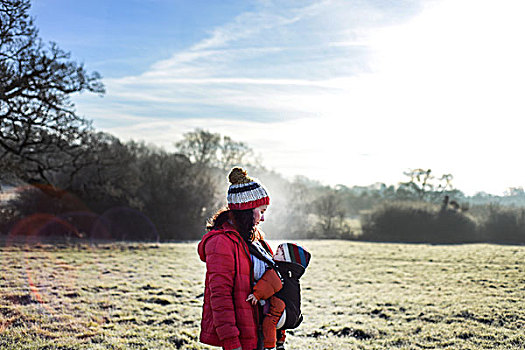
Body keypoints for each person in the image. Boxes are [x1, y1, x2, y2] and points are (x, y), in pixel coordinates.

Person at [198, 167, 284, 350]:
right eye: (261, 211)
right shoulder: (221, 242)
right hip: (242, 337)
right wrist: (231, 343)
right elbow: (220, 297)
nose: (263, 218)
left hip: (263, 332)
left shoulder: (255, 238)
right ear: (246, 210)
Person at [246, 242, 311, 350]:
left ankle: (270, 346)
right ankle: (280, 342)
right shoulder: (293, 277)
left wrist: (256, 295)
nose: (274, 253)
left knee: (269, 322)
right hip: (293, 313)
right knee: (279, 325)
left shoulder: (278, 272)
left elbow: (269, 283)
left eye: (278, 253)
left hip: (282, 312)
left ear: (286, 260)